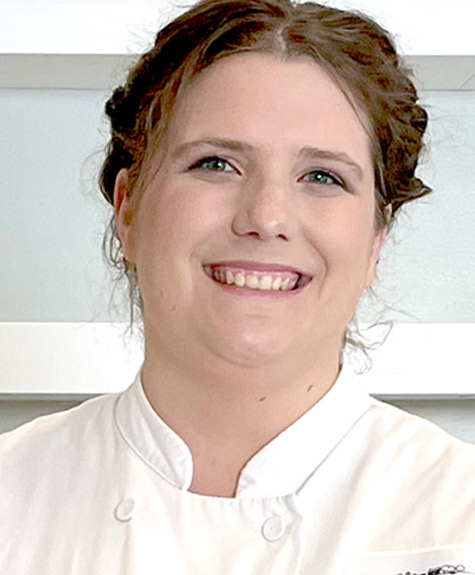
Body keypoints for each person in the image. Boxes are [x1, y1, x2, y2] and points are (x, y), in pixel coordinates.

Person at [1, 0, 475, 573]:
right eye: (216, 164)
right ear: (128, 210)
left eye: (322, 176)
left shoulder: (459, 512)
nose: (266, 216)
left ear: (376, 240)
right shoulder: (13, 493)